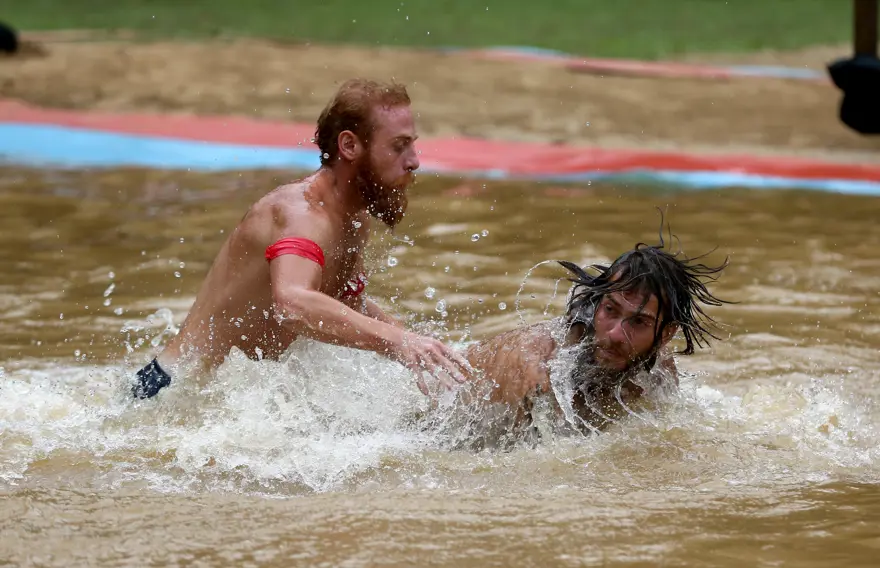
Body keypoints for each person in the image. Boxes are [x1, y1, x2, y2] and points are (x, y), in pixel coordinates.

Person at [132, 78, 471, 399]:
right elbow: (293, 304)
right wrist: (398, 340)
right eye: (399, 147)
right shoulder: (301, 215)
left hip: (222, 400)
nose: (414, 162)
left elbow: (346, 305)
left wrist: (429, 350)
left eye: (412, 145)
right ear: (350, 145)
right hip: (171, 395)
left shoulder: (354, 220)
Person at [461, 234, 731, 437]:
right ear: (599, 302)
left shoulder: (659, 373)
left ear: (666, 334)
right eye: (610, 310)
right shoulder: (542, 358)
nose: (615, 334)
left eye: (638, 322)